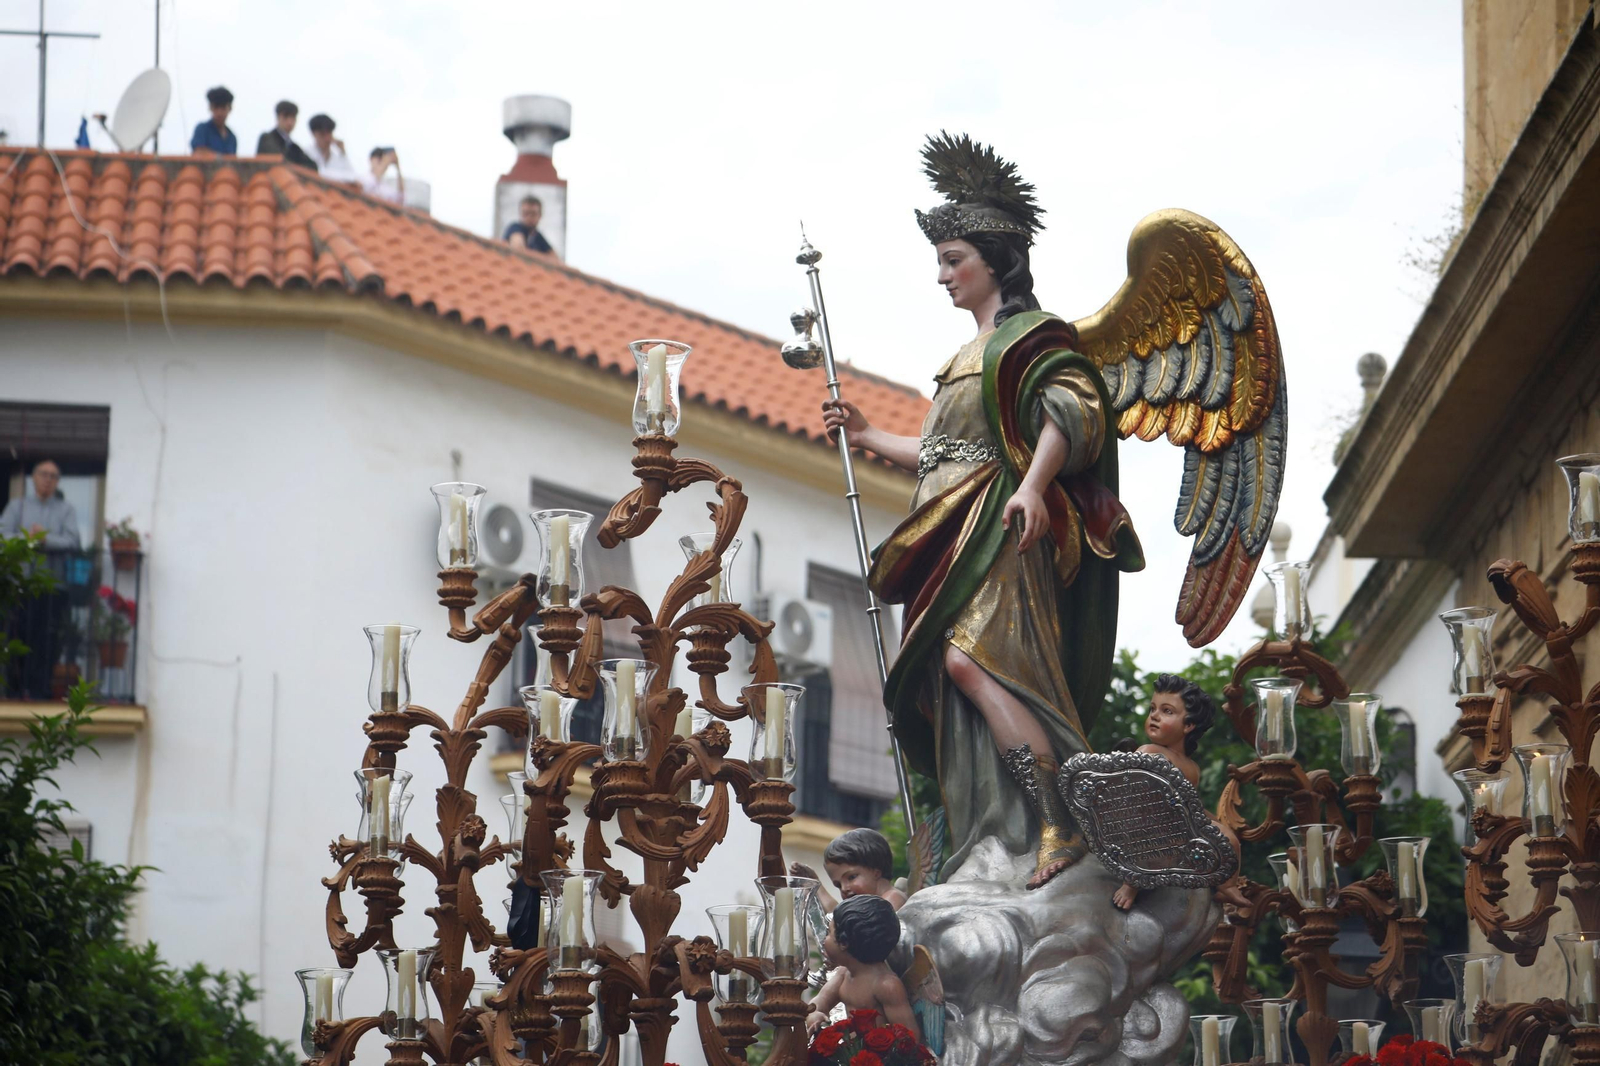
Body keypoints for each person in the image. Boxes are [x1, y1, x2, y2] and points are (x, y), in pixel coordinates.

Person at [821, 133, 1144, 891]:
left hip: (999, 529)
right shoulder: (962, 357)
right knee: (950, 677)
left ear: (996, 260)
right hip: (950, 535)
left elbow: (1071, 410)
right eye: (939, 261)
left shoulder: (1030, 337)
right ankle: (998, 828)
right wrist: (867, 436)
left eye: (952, 259)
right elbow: (941, 458)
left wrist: (1033, 486)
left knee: (972, 662)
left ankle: (1058, 816)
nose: (942, 276)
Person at [1110, 674, 1240, 910]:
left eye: (1167, 711)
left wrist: (1217, 823)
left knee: (1228, 837)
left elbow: (1192, 804)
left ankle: (1228, 885)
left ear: (1189, 725)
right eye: (1152, 709)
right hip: (1150, 823)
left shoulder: (1192, 767)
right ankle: (1132, 882)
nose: (1154, 716)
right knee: (1156, 837)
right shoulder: (1149, 752)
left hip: (1182, 823)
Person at [804, 894, 919, 1039]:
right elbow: (818, 1003)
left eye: (829, 933)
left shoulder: (886, 986)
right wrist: (814, 1015)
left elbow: (910, 1037)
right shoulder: (843, 975)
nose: (824, 939)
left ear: (844, 943)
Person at [792, 827, 907, 914]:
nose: (844, 888)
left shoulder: (891, 900)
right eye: (838, 885)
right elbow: (839, 918)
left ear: (876, 871)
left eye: (851, 877)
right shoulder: (867, 907)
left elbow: (850, 930)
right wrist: (816, 886)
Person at [0, 460, 81, 549]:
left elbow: (73, 542)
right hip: (19, 563)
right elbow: (2, 537)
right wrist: (26, 538)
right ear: (34, 477)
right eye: (44, 474)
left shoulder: (67, 510)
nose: (48, 479)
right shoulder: (16, 506)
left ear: (57, 481)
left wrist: (46, 540)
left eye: (53, 476)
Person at [255, 100, 317, 170]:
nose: (290, 122)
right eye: (286, 117)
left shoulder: (294, 147)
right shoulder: (267, 138)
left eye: (293, 117)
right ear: (278, 117)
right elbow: (277, 160)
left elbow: (313, 166)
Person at [306, 114, 360, 183]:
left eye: (329, 133)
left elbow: (354, 177)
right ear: (313, 134)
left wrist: (343, 153)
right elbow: (316, 172)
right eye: (322, 134)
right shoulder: (307, 153)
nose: (327, 138)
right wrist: (343, 178)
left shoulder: (338, 157)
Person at [190, 86, 237, 156]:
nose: (219, 113)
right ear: (210, 108)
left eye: (223, 108)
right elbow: (198, 153)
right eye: (216, 107)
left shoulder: (232, 138)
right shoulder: (202, 129)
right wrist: (220, 159)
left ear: (230, 108)